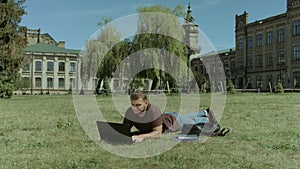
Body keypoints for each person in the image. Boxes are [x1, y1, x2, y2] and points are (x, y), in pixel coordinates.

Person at [122, 90, 218, 143]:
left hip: (174, 121)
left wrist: (139, 136)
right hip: (165, 117)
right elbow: (124, 129)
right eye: (132, 104)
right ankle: (205, 111)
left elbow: (157, 133)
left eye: (138, 105)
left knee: (191, 123)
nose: (134, 108)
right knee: (185, 117)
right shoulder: (130, 112)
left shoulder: (153, 111)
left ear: (146, 103)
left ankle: (205, 117)